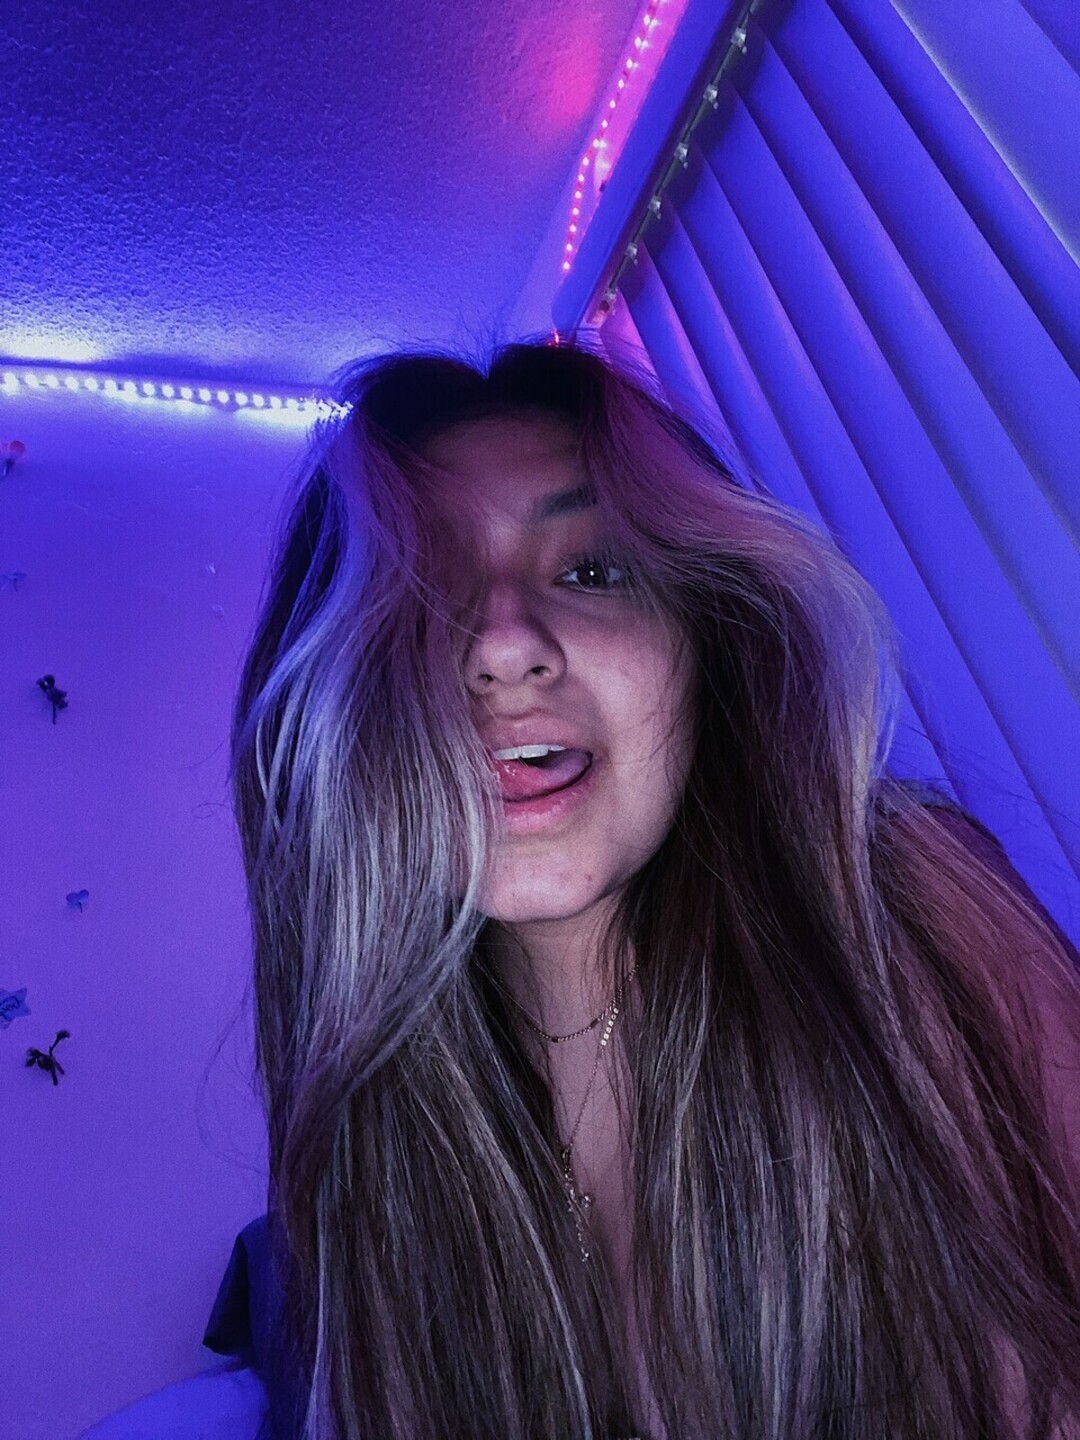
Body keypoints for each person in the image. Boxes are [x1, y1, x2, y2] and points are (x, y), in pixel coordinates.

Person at [84, 338, 1080, 1440]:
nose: (504, 647)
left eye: (592, 571)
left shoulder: (894, 905)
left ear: (705, 638)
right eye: (420, 593)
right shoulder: (376, 1118)